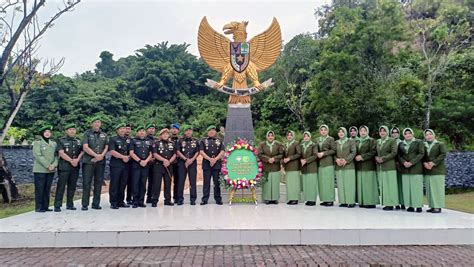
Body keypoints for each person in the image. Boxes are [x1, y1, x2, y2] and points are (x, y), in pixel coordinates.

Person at [54, 124, 83, 212]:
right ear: (66, 131)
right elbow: (61, 153)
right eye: (70, 129)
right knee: (61, 186)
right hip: (64, 166)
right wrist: (71, 161)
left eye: (73, 129)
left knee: (72, 186)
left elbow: (82, 151)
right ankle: (57, 205)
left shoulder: (78, 141)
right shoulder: (61, 140)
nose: (72, 131)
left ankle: (70, 204)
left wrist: (77, 159)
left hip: (75, 167)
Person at [81, 116, 108, 210]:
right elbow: (85, 147)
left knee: (98, 182)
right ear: (91, 124)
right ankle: (85, 204)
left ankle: (96, 203)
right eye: (95, 122)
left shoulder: (104, 135)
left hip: (100, 162)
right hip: (89, 162)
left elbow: (106, 147)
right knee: (87, 182)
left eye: (98, 122)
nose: (97, 124)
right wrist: (95, 156)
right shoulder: (87, 134)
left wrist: (101, 156)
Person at [398, 128, 425, 213]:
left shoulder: (418, 142)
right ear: (404, 135)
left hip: (416, 168)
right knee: (407, 188)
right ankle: (410, 206)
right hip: (405, 168)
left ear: (412, 134)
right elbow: (399, 155)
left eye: (409, 133)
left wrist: (412, 162)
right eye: (406, 133)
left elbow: (421, 153)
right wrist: (404, 162)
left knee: (416, 188)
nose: (408, 135)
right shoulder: (401, 144)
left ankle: (418, 206)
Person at [32, 125, 58, 212]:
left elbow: (56, 156)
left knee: (47, 188)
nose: (47, 133)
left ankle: (46, 206)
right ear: (42, 133)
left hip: (51, 170)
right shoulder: (38, 142)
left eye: (49, 132)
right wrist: (48, 165)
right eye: (45, 132)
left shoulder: (53, 143)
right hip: (40, 169)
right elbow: (38, 155)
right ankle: (39, 207)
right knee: (40, 189)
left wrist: (54, 165)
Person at [375, 125, 399, 210]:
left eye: (384, 131)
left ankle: (391, 204)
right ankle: (386, 203)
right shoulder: (377, 141)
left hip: (389, 166)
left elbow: (394, 152)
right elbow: (375, 152)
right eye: (381, 131)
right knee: (383, 186)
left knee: (390, 186)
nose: (382, 132)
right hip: (380, 167)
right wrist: (376, 158)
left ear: (387, 132)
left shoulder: (391, 140)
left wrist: (384, 158)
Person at [199, 125, 225, 205]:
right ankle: (204, 199)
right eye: (210, 130)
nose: (211, 132)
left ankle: (218, 199)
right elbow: (201, 151)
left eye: (213, 130)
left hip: (217, 164)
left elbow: (222, 151)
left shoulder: (219, 140)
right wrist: (210, 159)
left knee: (216, 182)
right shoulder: (203, 140)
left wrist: (215, 159)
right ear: (208, 132)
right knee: (206, 182)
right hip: (207, 164)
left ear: (215, 132)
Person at [423, 129, 447, 213]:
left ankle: (438, 207)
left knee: (437, 189)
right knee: (429, 189)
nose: (428, 136)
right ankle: (432, 206)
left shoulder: (440, 144)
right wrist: (425, 163)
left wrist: (433, 163)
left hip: (437, 170)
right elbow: (421, 155)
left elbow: (443, 154)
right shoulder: (424, 145)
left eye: (430, 134)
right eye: (427, 135)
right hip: (427, 170)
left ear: (433, 135)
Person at [354, 125, 379, 208]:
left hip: (368, 166)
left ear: (367, 132)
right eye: (361, 131)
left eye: (364, 131)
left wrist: (362, 157)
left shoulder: (371, 140)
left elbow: (373, 152)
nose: (363, 132)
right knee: (361, 184)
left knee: (369, 184)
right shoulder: (357, 141)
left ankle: (370, 202)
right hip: (359, 166)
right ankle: (362, 201)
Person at [129, 125, 153, 208]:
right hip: (136, 164)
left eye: (143, 131)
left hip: (145, 165)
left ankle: (141, 201)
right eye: (140, 131)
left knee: (143, 183)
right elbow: (131, 153)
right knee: (135, 183)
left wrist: (146, 161)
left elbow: (151, 153)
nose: (142, 132)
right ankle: (135, 201)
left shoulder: (149, 141)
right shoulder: (133, 141)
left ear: (145, 132)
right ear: (137, 132)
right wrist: (139, 161)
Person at [108, 123, 131, 209]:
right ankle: (113, 202)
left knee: (123, 183)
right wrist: (123, 157)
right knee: (115, 183)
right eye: (120, 128)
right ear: (117, 130)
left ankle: (121, 201)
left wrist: (128, 157)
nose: (122, 130)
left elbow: (131, 151)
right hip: (116, 164)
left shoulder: (128, 140)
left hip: (126, 164)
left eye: (124, 128)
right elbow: (112, 151)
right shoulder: (113, 139)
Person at [258, 130, 284, 204]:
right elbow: (259, 154)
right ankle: (267, 198)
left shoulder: (278, 144)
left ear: (274, 136)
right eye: (269, 136)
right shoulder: (262, 144)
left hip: (275, 166)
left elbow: (281, 154)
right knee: (267, 183)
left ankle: (275, 198)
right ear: (266, 136)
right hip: (266, 167)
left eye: (271, 135)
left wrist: (274, 159)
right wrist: (268, 159)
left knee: (275, 183)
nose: (270, 137)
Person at [152, 128, 176, 207]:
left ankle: (167, 200)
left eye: (167, 134)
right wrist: (164, 160)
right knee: (157, 184)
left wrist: (169, 161)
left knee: (168, 184)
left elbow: (175, 154)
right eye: (163, 134)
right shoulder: (156, 143)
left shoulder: (172, 143)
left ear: (169, 135)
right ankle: (154, 200)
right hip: (158, 166)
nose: (165, 135)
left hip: (169, 166)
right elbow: (155, 154)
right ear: (161, 135)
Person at [176, 125, 199, 205]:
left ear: (192, 131)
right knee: (181, 181)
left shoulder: (196, 140)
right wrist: (185, 159)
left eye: (190, 130)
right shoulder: (180, 140)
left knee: (192, 181)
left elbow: (197, 152)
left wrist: (191, 160)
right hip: (182, 163)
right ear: (184, 132)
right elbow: (178, 151)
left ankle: (193, 199)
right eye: (187, 130)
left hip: (192, 163)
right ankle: (180, 199)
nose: (188, 132)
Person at [335, 127, 357, 208]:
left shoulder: (350, 141)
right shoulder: (336, 142)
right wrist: (336, 160)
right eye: (339, 132)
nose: (341, 133)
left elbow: (353, 152)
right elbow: (334, 153)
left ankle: (351, 201)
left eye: (342, 132)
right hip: (339, 166)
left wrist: (346, 160)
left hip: (349, 166)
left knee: (349, 184)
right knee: (341, 184)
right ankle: (343, 201)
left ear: (345, 133)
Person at [317, 124, 336, 206]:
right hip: (320, 163)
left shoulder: (331, 139)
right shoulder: (317, 139)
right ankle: (324, 199)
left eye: (325, 130)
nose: (323, 131)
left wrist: (323, 153)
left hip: (328, 162)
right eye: (322, 130)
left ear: (327, 131)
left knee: (329, 182)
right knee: (322, 182)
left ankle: (330, 200)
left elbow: (333, 150)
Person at [300, 131, 318, 206]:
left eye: (307, 136)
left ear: (310, 137)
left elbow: (315, 155)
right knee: (306, 184)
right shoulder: (301, 145)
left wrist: (306, 160)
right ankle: (307, 199)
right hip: (304, 167)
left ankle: (312, 200)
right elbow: (300, 154)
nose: (306, 137)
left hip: (311, 166)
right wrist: (301, 160)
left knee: (312, 184)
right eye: (305, 136)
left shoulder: (313, 145)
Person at [283, 130, 301, 205]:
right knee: (289, 183)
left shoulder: (296, 143)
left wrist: (289, 158)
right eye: (288, 135)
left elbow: (299, 154)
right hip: (287, 167)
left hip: (294, 166)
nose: (289, 136)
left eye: (291, 135)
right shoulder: (286, 144)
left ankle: (295, 199)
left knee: (295, 183)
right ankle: (291, 198)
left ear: (293, 136)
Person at [391, 127, 405, 210]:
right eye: (393, 132)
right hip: (391, 166)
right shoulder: (389, 141)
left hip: (400, 166)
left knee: (401, 185)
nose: (394, 133)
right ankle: (395, 203)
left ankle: (402, 202)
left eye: (396, 132)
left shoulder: (402, 142)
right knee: (394, 185)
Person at [145, 123, 157, 204]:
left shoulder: (157, 139)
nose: (152, 130)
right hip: (145, 162)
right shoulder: (144, 139)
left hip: (155, 163)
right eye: (150, 128)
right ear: (147, 130)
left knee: (153, 181)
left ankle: (150, 197)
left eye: (153, 128)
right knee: (142, 181)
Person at [170, 123, 181, 204]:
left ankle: (176, 197)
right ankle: (168, 198)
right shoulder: (167, 139)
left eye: (176, 129)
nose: (174, 130)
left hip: (179, 163)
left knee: (177, 181)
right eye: (173, 128)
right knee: (168, 181)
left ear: (178, 130)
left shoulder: (181, 139)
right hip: (169, 163)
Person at [124, 123, 133, 205]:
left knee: (131, 181)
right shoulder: (120, 138)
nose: (127, 130)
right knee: (122, 182)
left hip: (131, 163)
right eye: (126, 128)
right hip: (121, 162)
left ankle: (129, 198)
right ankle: (119, 199)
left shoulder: (132, 139)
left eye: (129, 129)